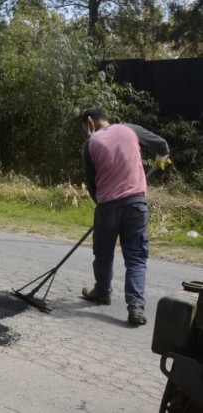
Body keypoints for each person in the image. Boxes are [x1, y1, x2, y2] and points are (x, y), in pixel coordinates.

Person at [78, 107, 170, 325]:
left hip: (107, 207)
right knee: (136, 258)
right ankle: (136, 307)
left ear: (90, 122)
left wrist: (102, 206)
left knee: (103, 254)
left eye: (84, 128)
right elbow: (162, 145)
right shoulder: (130, 130)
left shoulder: (90, 144)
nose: (86, 132)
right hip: (136, 205)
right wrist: (161, 158)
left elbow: (92, 184)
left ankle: (102, 292)